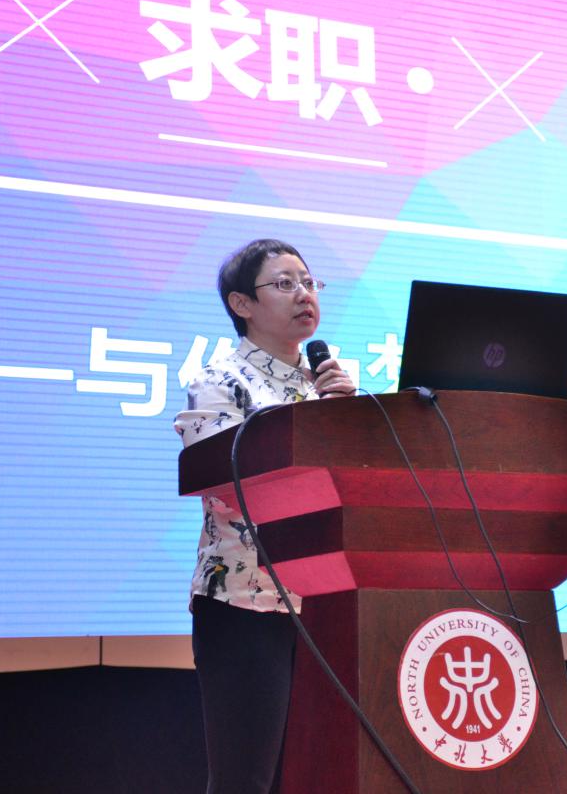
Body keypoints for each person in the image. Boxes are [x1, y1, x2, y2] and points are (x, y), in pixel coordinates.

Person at [174, 239, 355, 794]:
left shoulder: (330, 389)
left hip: (327, 608)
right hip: (245, 607)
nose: (304, 294)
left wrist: (353, 420)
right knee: (246, 780)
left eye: (309, 282)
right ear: (242, 304)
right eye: (284, 283)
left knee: (318, 775)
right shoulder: (219, 382)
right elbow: (232, 485)